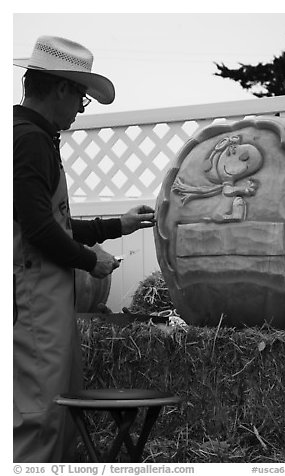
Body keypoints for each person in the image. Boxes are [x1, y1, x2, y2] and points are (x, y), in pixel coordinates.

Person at [13, 35, 156, 463]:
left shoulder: (33, 137)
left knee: (61, 409)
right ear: (61, 87)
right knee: (41, 416)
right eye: (81, 96)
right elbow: (38, 229)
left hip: (46, 301)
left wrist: (118, 225)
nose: (80, 107)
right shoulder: (27, 141)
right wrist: (90, 260)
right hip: (31, 301)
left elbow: (52, 222)